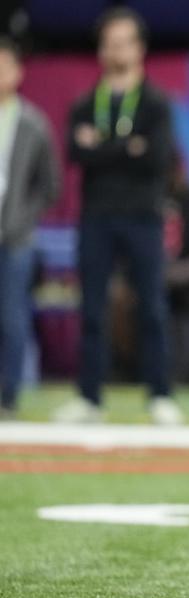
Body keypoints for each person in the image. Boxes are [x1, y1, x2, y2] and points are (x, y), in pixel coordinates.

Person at [53, 7, 181, 426]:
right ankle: (89, 397)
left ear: (139, 48)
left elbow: (156, 158)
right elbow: (76, 153)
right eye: (109, 42)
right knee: (91, 307)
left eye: (124, 42)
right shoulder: (87, 101)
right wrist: (127, 146)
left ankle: (160, 394)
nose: (116, 50)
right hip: (97, 216)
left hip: (143, 216)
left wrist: (103, 146)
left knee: (151, 308)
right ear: (101, 49)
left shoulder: (156, 102)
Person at [112, 156, 189, 387]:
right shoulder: (143, 199)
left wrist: (184, 273)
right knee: (116, 296)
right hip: (147, 277)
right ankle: (133, 370)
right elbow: (124, 248)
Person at [0, 36, 60, 419]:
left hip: (15, 238)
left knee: (12, 317)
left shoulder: (33, 123)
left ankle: (8, 397)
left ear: (19, 72)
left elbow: (49, 187)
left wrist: (22, 217)